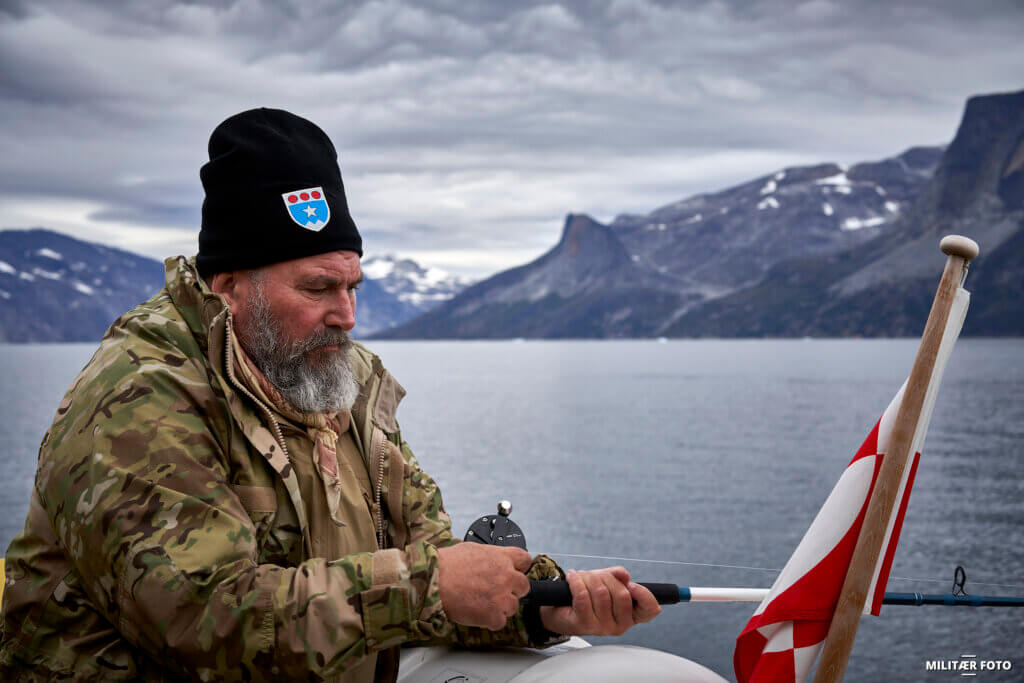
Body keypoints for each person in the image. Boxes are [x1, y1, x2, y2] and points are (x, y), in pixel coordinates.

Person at [0, 108, 660, 682]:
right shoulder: (140, 400)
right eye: (317, 288)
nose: (345, 314)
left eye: (352, 287)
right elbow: (208, 622)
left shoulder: (344, 382)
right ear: (231, 287)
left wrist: (540, 604)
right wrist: (428, 583)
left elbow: (431, 563)